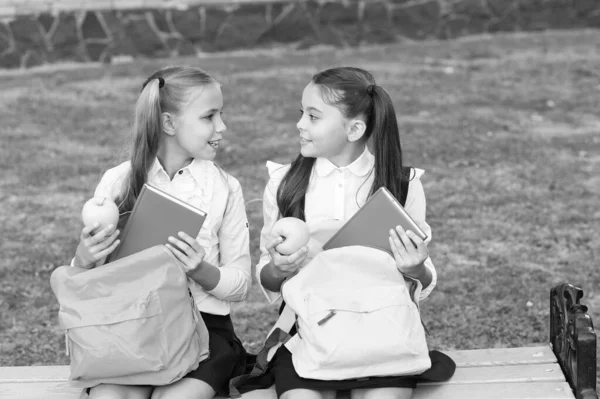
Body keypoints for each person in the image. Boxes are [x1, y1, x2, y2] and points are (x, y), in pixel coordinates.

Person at [256, 67, 449, 399]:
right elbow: (266, 277)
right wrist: (278, 268)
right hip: (309, 335)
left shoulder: (403, 185)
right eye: (301, 113)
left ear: (355, 128)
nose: (300, 124)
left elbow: (423, 278)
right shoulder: (285, 184)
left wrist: (415, 266)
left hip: (382, 337)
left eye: (313, 117)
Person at [72, 66, 251, 399]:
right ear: (169, 123)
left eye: (220, 115)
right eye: (209, 116)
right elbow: (87, 282)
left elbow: (240, 286)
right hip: (132, 328)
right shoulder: (118, 182)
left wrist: (202, 270)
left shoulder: (225, 188)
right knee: (110, 396)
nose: (222, 127)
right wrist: (85, 258)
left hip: (204, 333)